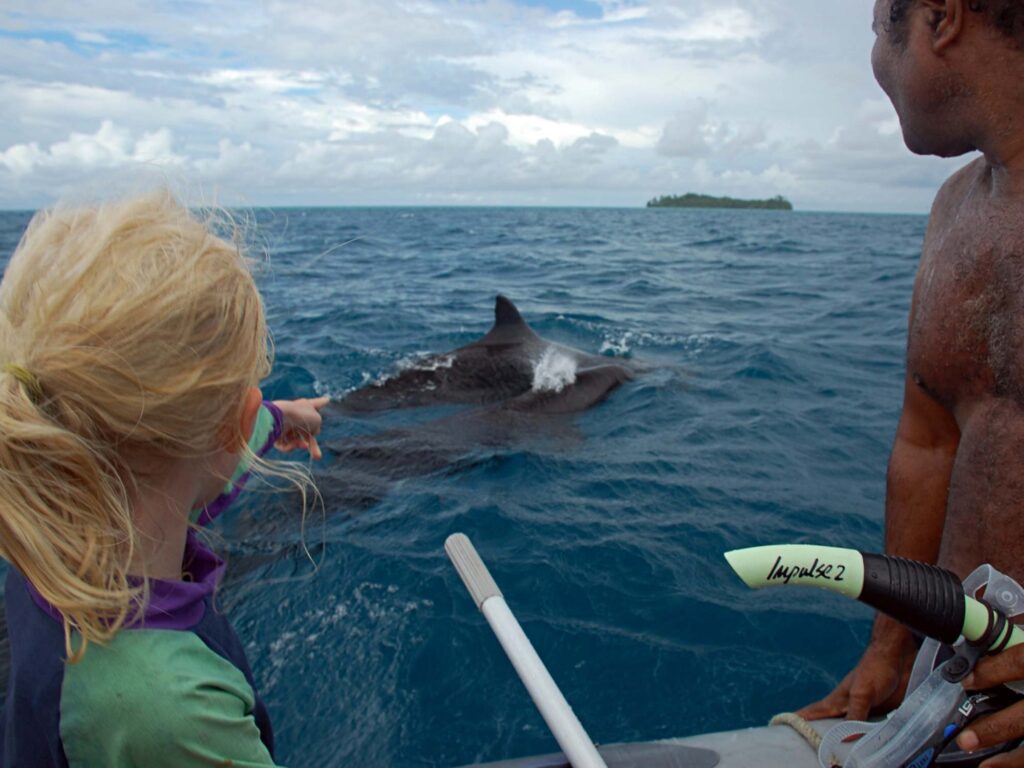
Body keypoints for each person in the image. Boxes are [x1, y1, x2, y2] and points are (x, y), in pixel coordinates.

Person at [0, 191, 330, 766]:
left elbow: (181, 460)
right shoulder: (170, 715)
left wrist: (274, 418)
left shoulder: (50, 541)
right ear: (227, 424)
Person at [797, 0, 1024, 759]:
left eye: (874, 30)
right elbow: (928, 444)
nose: (874, 63)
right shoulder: (956, 207)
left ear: (939, 17)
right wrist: (892, 651)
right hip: (956, 710)